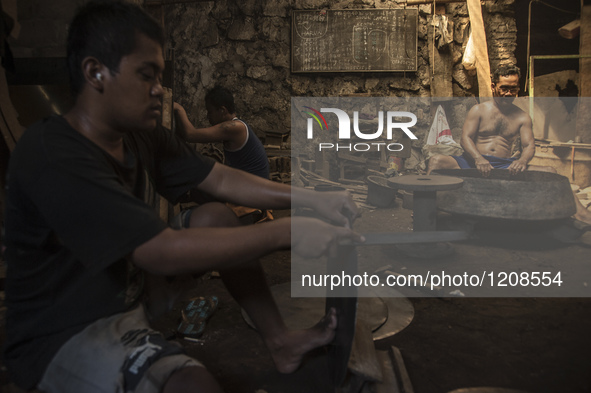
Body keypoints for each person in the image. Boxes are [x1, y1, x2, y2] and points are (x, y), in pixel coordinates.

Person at [2, 2, 363, 392]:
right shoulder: (54, 152)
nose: (159, 89)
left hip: (127, 291)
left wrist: (313, 199)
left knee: (214, 216)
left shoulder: (140, 135)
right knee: (192, 384)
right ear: (95, 73)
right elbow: (157, 250)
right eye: (146, 75)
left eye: (159, 75)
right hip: (64, 331)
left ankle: (282, 343)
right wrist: (285, 232)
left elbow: (220, 179)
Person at [427, 64, 591, 225]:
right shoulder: (479, 110)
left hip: (504, 166)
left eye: (513, 89)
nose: (508, 93)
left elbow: (529, 146)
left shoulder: (522, 117)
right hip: (472, 161)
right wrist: (478, 159)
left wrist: (521, 161)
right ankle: (428, 210)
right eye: (504, 88)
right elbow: (465, 139)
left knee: (550, 172)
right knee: (436, 161)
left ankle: (582, 215)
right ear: (493, 86)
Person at [174, 87, 270, 179]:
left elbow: (190, 135)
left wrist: (179, 109)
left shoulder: (234, 128)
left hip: (253, 190)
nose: (208, 116)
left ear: (222, 110)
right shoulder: (236, 126)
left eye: (210, 112)